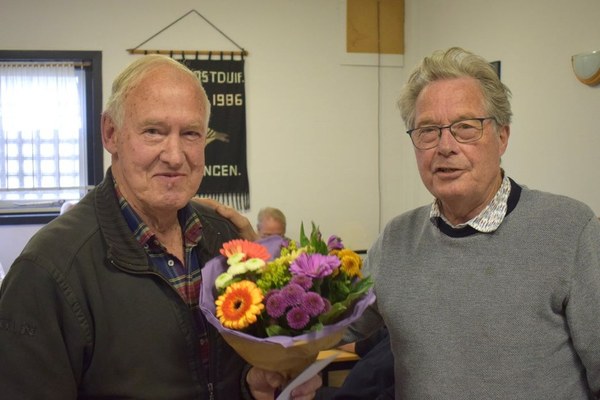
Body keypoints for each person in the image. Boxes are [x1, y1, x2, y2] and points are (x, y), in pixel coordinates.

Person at [0, 55, 320, 400]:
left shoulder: (227, 239)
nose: (174, 155)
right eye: (153, 131)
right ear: (110, 133)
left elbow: (227, 370)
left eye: (191, 133)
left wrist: (252, 385)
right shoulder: (48, 269)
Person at [344, 47, 600, 399]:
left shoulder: (571, 230)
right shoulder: (395, 241)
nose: (445, 146)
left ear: (502, 137)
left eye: (465, 127)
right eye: (428, 131)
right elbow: (334, 329)